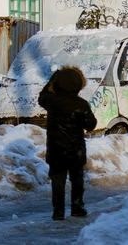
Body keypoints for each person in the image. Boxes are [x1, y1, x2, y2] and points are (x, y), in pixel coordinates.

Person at [38, 66, 97, 221]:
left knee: (57, 180)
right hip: (76, 148)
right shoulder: (82, 104)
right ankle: (77, 207)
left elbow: (42, 96)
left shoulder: (52, 101)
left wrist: (53, 79)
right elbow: (91, 125)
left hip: (56, 148)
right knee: (77, 178)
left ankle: (58, 211)